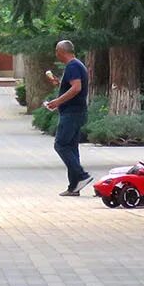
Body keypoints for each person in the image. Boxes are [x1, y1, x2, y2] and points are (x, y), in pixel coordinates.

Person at [43, 40, 91, 196]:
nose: (56, 54)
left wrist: (57, 102)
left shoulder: (73, 66)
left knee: (61, 145)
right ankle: (74, 186)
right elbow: (72, 86)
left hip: (72, 113)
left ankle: (82, 176)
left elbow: (77, 87)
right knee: (71, 147)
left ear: (61, 51)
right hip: (76, 111)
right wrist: (59, 84)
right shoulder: (77, 65)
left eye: (57, 51)